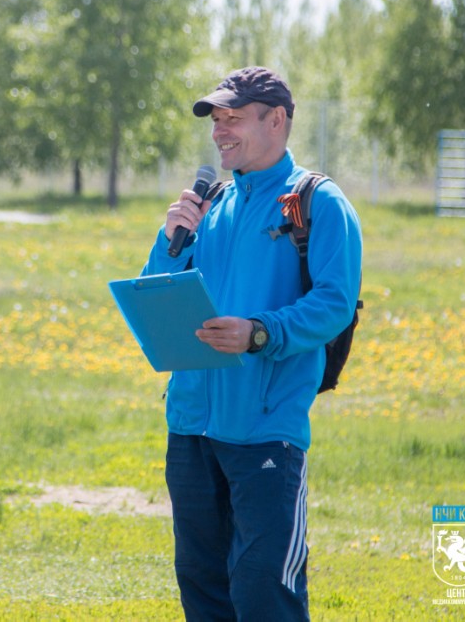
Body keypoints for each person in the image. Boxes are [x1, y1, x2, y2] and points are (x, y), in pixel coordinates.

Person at [140, 66, 362, 620]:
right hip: (190, 429)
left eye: (233, 119)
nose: (219, 131)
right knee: (202, 589)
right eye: (216, 120)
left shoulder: (316, 201)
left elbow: (335, 302)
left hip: (265, 432)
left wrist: (259, 333)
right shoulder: (210, 204)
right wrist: (168, 242)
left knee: (265, 594)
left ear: (276, 120)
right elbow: (155, 297)